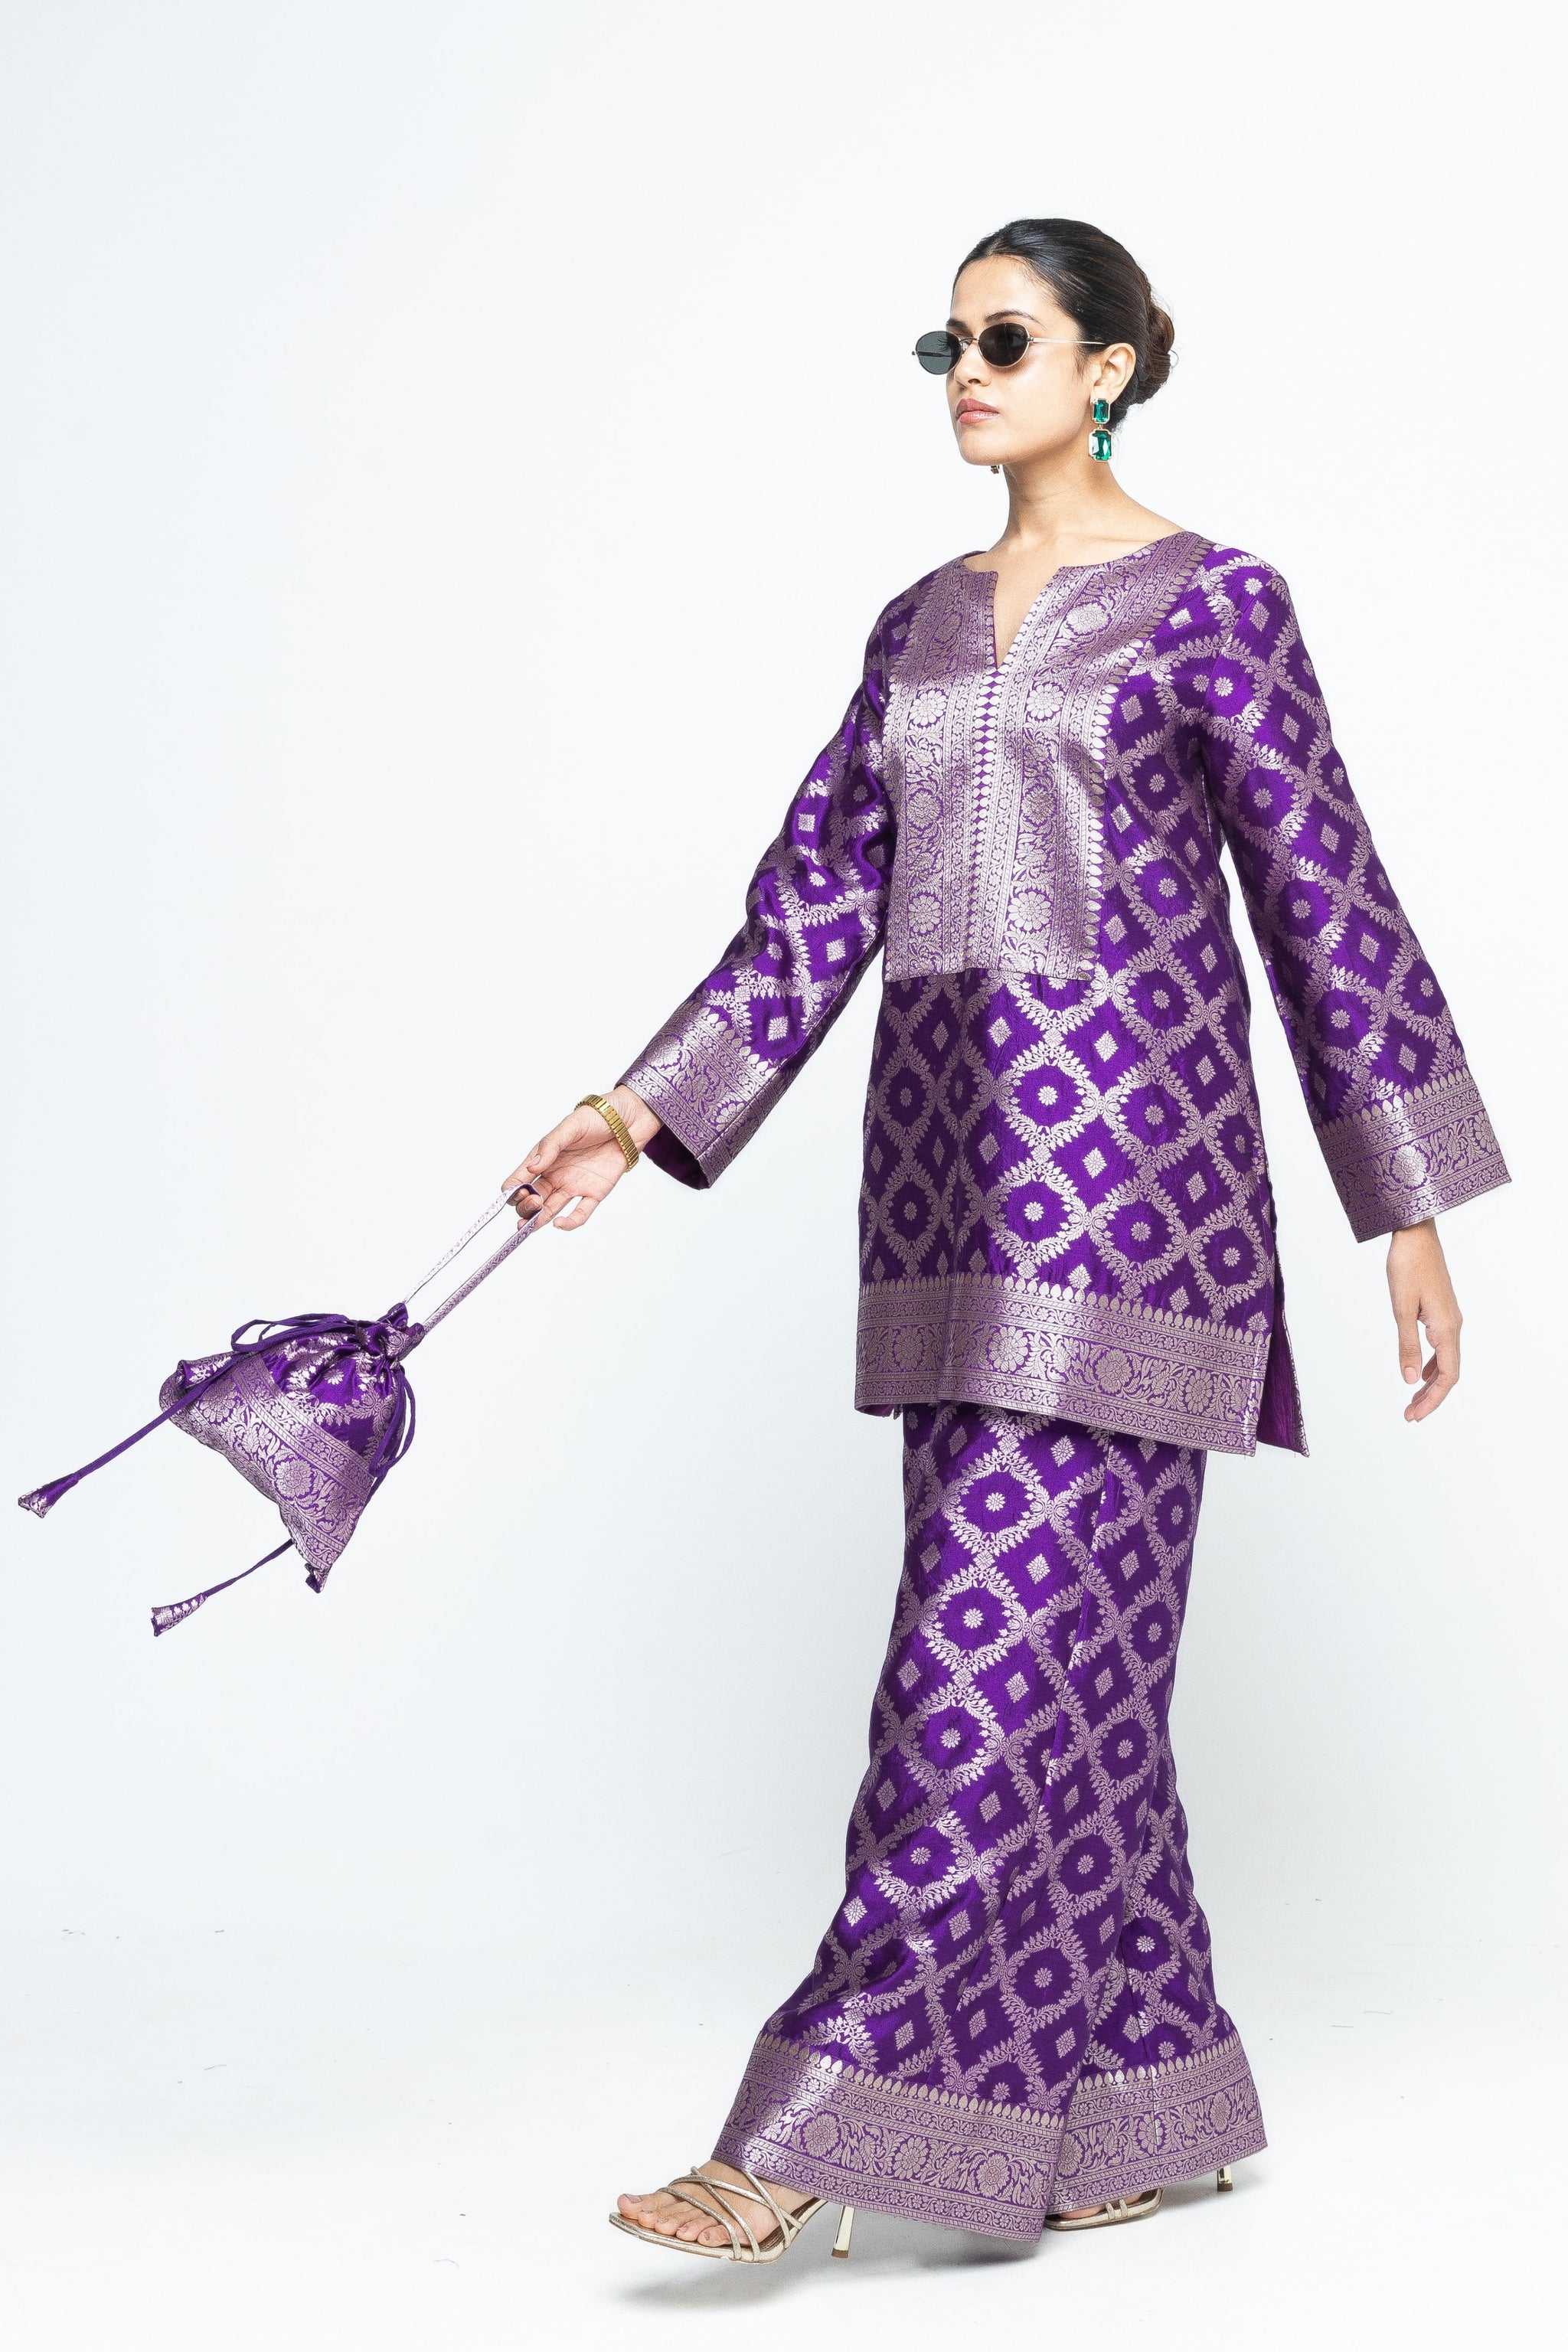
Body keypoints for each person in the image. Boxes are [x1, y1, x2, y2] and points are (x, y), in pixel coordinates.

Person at [506, 219, 1508, 2262]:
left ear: (1109, 367)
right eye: (945, 343)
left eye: (1006, 337)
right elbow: (811, 905)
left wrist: (1402, 1207)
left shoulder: (1219, 604)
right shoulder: (919, 627)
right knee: (1071, 1668)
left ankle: (802, 2137)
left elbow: (1327, 897)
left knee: (974, 1667)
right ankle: (1146, 2096)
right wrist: (635, 1112)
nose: (965, 370)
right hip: (944, 1204)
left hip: (1142, 1207)